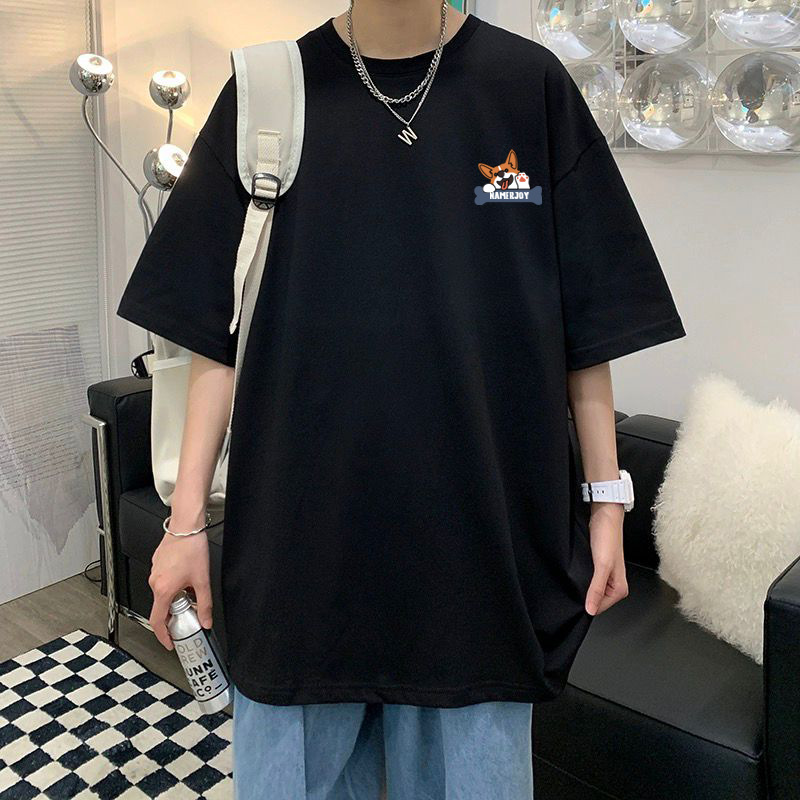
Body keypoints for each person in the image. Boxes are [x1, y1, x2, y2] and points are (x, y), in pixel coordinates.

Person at [116, 1, 687, 797]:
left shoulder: (528, 86)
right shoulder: (267, 90)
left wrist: (606, 503)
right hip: (301, 561)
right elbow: (212, 331)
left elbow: (587, 323)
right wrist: (182, 527)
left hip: (478, 565)